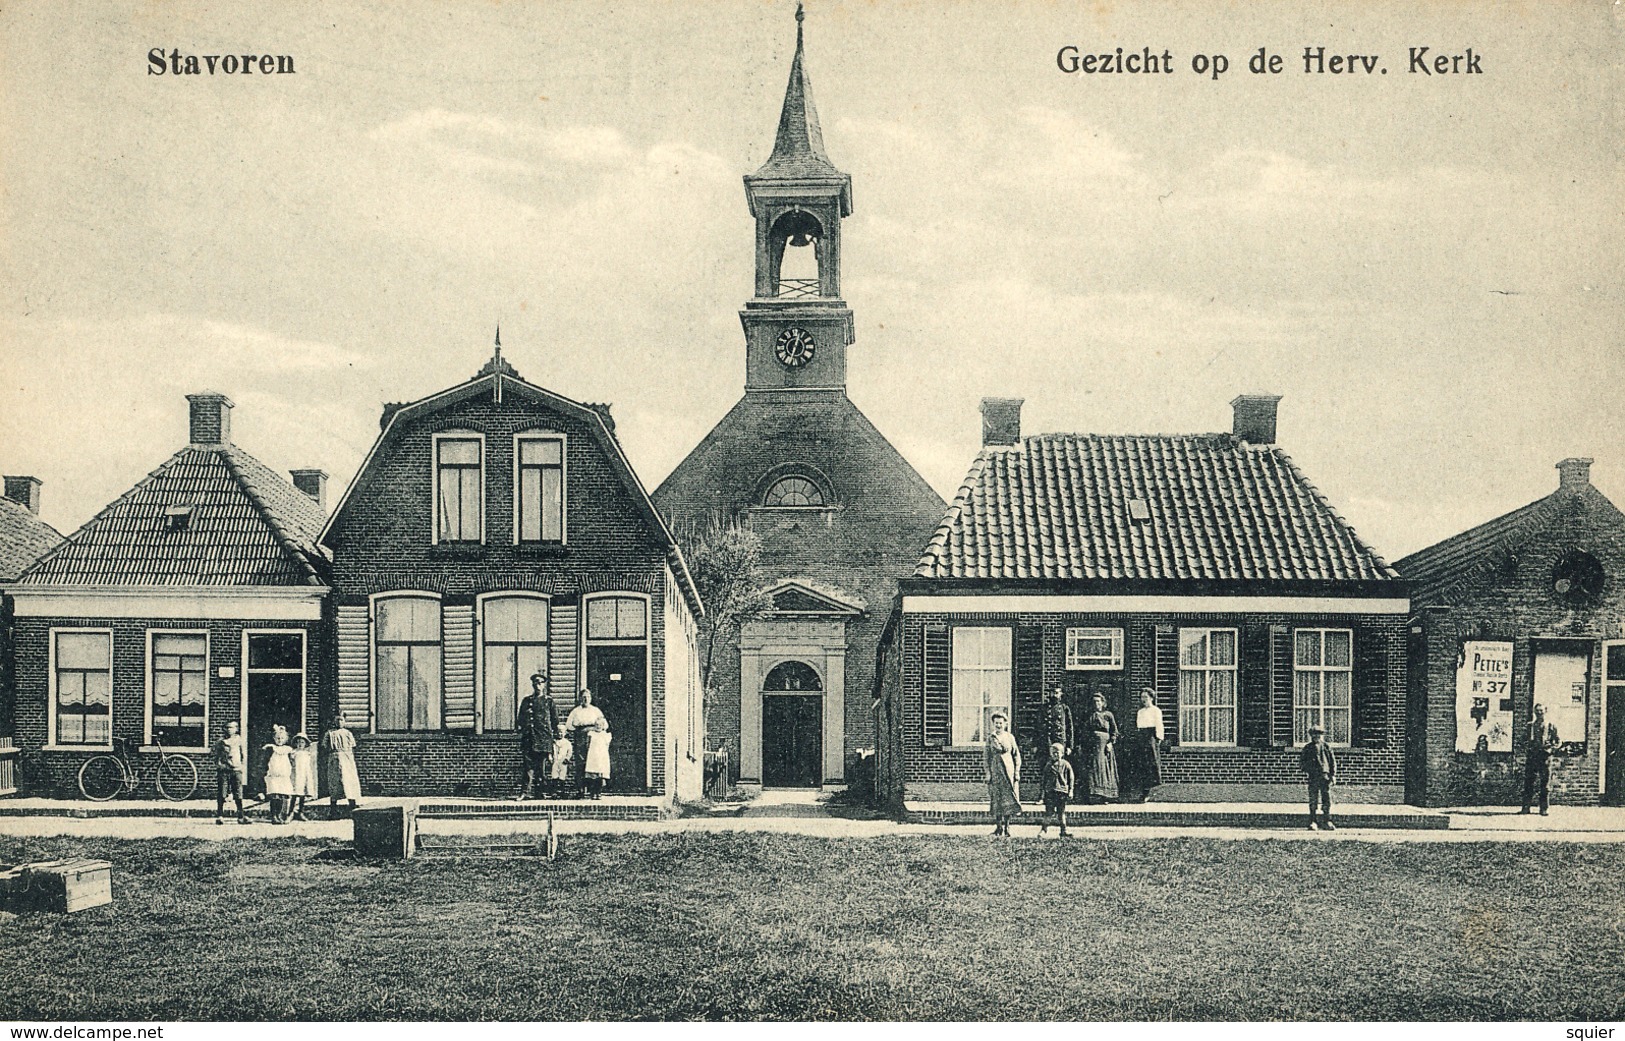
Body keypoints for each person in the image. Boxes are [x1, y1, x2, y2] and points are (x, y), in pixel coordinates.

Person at [516, 671, 560, 800]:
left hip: (543, 739)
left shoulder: (549, 701)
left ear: (544, 685)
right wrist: (525, 729)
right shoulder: (526, 700)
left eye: (540, 683)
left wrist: (553, 740)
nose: (538, 685)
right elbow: (520, 718)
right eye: (535, 683)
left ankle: (539, 793)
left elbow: (555, 721)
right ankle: (525, 792)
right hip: (529, 738)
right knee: (528, 767)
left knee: (541, 768)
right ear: (532, 684)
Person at [984, 711, 1022, 836]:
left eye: (1001, 723)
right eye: (996, 723)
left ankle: (1007, 827)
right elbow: (986, 758)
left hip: (1009, 771)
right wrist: (988, 773)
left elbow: (1016, 756)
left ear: (1005, 724)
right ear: (993, 724)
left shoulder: (1010, 737)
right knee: (997, 798)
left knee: (1009, 798)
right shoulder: (990, 738)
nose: (999, 725)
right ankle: (998, 827)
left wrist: (1017, 772)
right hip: (996, 771)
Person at [565, 689, 607, 799]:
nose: (585, 699)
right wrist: (580, 730)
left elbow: (604, 725)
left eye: (588, 697)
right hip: (580, 738)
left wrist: (595, 729)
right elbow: (569, 725)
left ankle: (595, 791)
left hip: (594, 738)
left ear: (591, 698)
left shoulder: (596, 711)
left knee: (595, 763)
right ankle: (581, 790)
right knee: (581, 764)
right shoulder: (576, 711)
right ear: (580, 698)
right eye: (583, 697)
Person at [1520, 702, 1560, 815]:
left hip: (1545, 758)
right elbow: (1523, 740)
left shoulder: (1550, 726)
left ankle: (1544, 808)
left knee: (1545, 784)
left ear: (1545, 712)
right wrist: (1527, 747)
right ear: (1534, 712)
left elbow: (1557, 741)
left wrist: (1551, 749)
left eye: (1541, 711)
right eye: (1537, 711)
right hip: (1532, 757)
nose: (1539, 713)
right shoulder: (1530, 726)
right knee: (1528, 783)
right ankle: (1526, 807)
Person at [1127, 688, 1165, 802]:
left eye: (1146, 697)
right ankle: (1142, 791)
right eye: (1142, 697)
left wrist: (1159, 738)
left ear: (1151, 698)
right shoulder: (1140, 712)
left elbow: (1159, 724)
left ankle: (1148, 791)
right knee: (1141, 764)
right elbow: (1138, 726)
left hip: (1151, 737)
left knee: (1151, 763)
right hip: (1141, 738)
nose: (1143, 700)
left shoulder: (1156, 710)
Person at [1082, 692, 1120, 803]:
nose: (1096, 704)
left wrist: (1111, 743)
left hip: (1105, 748)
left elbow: (1114, 731)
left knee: (1104, 769)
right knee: (1093, 769)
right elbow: (1084, 731)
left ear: (1103, 703)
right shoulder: (1089, 715)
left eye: (1098, 701)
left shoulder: (1108, 715)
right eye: (1094, 702)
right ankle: (1093, 795)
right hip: (1092, 747)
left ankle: (1106, 795)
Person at [1300, 723, 1337, 831]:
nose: (1316, 737)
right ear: (1311, 736)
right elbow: (1302, 762)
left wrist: (1333, 775)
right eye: (1314, 735)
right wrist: (1308, 769)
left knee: (1326, 799)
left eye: (1319, 735)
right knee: (1313, 800)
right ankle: (1313, 821)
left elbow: (1332, 761)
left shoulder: (1326, 747)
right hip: (1313, 777)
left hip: (1325, 776)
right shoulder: (1308, 748)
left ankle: (1327, 821)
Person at [322, 713, 362, 814]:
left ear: (344, 722)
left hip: (347, 758)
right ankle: (333, 808)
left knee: (349, 780)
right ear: (334, 722)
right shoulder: (330, 733)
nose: (339, 722)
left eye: (341, 720)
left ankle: (352, 804)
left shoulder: (348, 733)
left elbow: (352, 746)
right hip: (334, 758)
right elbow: (324, 746)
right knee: (335, 781)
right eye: (337, 720)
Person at [212, 720, 249, 825]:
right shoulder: (220, 741)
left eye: (232, 727)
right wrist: (220, 764)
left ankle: (241, 816)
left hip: (236, 770)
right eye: (227, 727)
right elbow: (215, 755)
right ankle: (220, 815)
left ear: (236, 729)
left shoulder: (239, 740)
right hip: (224, 770)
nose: (229, 730)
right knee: (222, 792)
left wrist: (240, 765)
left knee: (238, 792)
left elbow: (243, 754)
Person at [262, 725, 295, 825]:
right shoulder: (271, 748)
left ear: (285, 739)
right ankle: (274, 816)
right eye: (277, 738)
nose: (279, 740)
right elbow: (266, 762)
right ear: (274, 738)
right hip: (274, 776)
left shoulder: (288, 749)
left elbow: (291, 761)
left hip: (284, 776)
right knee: (274, 795)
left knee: (282, 795)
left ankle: (280, 815)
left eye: (282, 738)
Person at [1040, 741, 1074, 838]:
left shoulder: (1066, 765)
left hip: (1062, 792)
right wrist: (1043, 793)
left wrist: (1070, 790)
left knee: (1061, 812)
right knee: (1048, 812)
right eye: (1053, 753)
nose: (1055, 754)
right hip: (1050, 791)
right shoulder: (1048, 765)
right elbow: (1044, 780)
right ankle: (1044, 830)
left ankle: (1063, 830)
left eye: (1057, 752)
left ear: (1062, 754)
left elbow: (1071, 778)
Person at [289, 733, 318, 822]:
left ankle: (301, 812)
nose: (300, 744)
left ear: (305, 744)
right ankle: (290, 812)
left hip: (304, 775)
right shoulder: (293, 753)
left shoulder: (307, 754)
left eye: (302, 742)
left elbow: (310, 765)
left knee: (303, 794)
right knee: (294, 794)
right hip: (296, 775)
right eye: (298, 742)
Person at [1041, 686, 1074, 760]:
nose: (1054, 695)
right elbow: (1038, 726)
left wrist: (1069, 746)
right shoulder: (1044, 708)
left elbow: (1069, 728)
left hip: (1060, 740)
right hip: (1047, 741)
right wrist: (1035, 744)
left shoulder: (1064, 708)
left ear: (1061, 694)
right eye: (1052, 693)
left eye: (1056, 693)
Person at [585, 719, 613, 800]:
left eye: (600, 725)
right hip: (593, 756)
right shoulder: (591, 734)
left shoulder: (605, 735)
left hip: (601, 756)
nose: (598, 727)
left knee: (600, 775)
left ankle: (598, 792)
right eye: (596, 725)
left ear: (603, 726)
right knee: (592, 775)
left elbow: (607, 745)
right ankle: (592, 793)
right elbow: (587, 744)